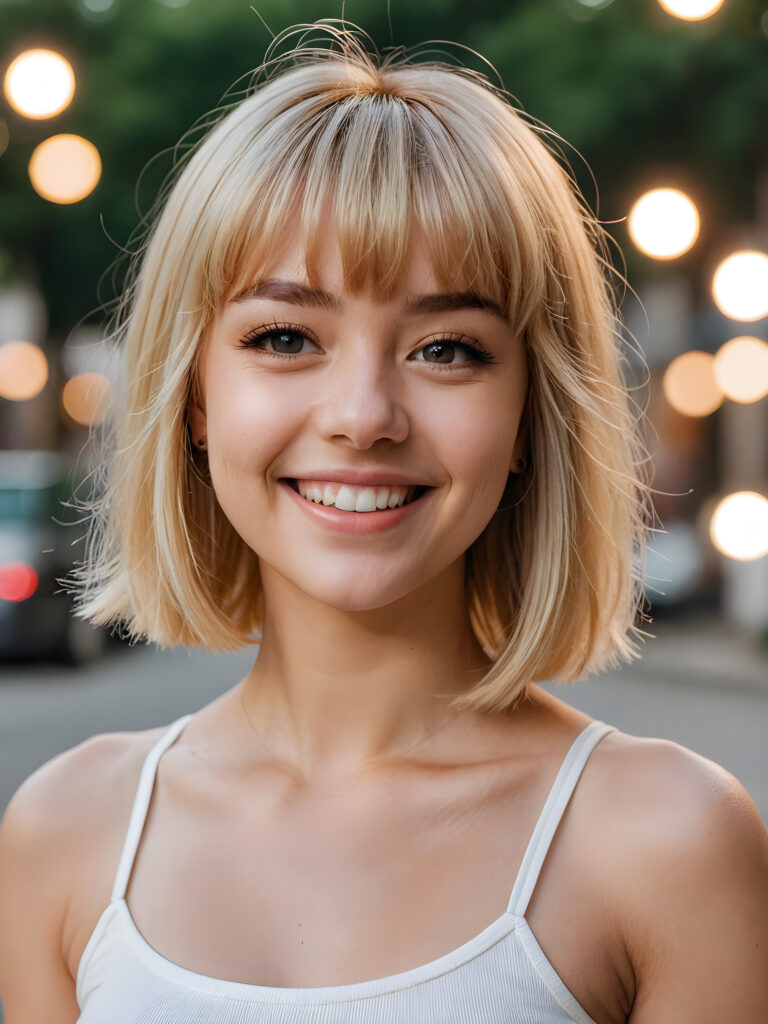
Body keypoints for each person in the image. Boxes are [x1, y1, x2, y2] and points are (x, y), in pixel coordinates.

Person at [1, 20, 766, 1024]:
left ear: (533, 411)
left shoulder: (669, 842)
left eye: (448, 348)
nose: (363, 414)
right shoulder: (64, 833)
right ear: (193, 397)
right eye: (285, 337)